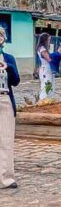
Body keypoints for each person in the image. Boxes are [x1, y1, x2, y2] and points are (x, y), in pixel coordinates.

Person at [0, 26, 21, 189]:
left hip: (5, 99)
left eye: (0, 36)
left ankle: (6, 178)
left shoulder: (9, 58)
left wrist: (8, 66)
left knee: (6, 140)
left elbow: (15, 80)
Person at [36, 32, 55, 101]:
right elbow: (49, 59)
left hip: (47, 68)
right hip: (46, 68)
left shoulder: (43, 48)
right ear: (45, 40)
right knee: (46, 84)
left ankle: (48, 99)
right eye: (48, 40)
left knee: (50, 84)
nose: (49, 41)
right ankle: (43, 99)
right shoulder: (42, 49)